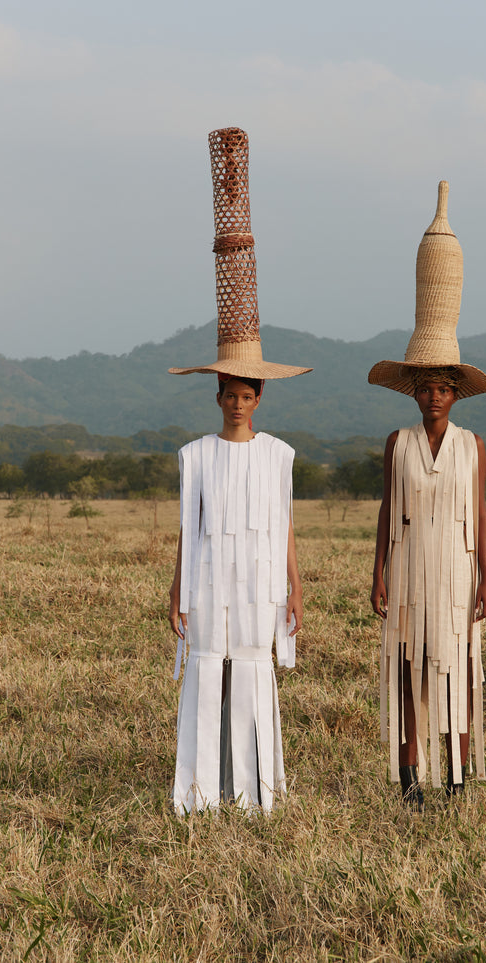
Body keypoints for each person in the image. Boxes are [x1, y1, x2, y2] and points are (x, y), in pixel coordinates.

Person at [163, 126, 312, 813]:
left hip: (258, 586)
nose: (235, 399)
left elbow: (282, 526)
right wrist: (177, 592)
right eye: (227, 389)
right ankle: (201, 791)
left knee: (251, 674)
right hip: (210, 579)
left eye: (246, 390)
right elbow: (187, 533)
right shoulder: (195, 455)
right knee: (208, 677)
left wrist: (293, 584)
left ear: (258, 396)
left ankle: (256, 792)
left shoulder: (278, 455)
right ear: (216, 393)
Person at [367, 181, 486, 806]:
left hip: (458, 565)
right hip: (412, 564)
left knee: (458, 667)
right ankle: (411, 777)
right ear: (414, 392)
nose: (434, 396)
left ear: (454, 393)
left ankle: (458, 775)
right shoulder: (398, 443)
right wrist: (379, 574)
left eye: (443, 387)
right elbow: (388, 512)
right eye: (426, 388)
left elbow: (480, 514)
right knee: (410, 666)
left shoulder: (472, 446)